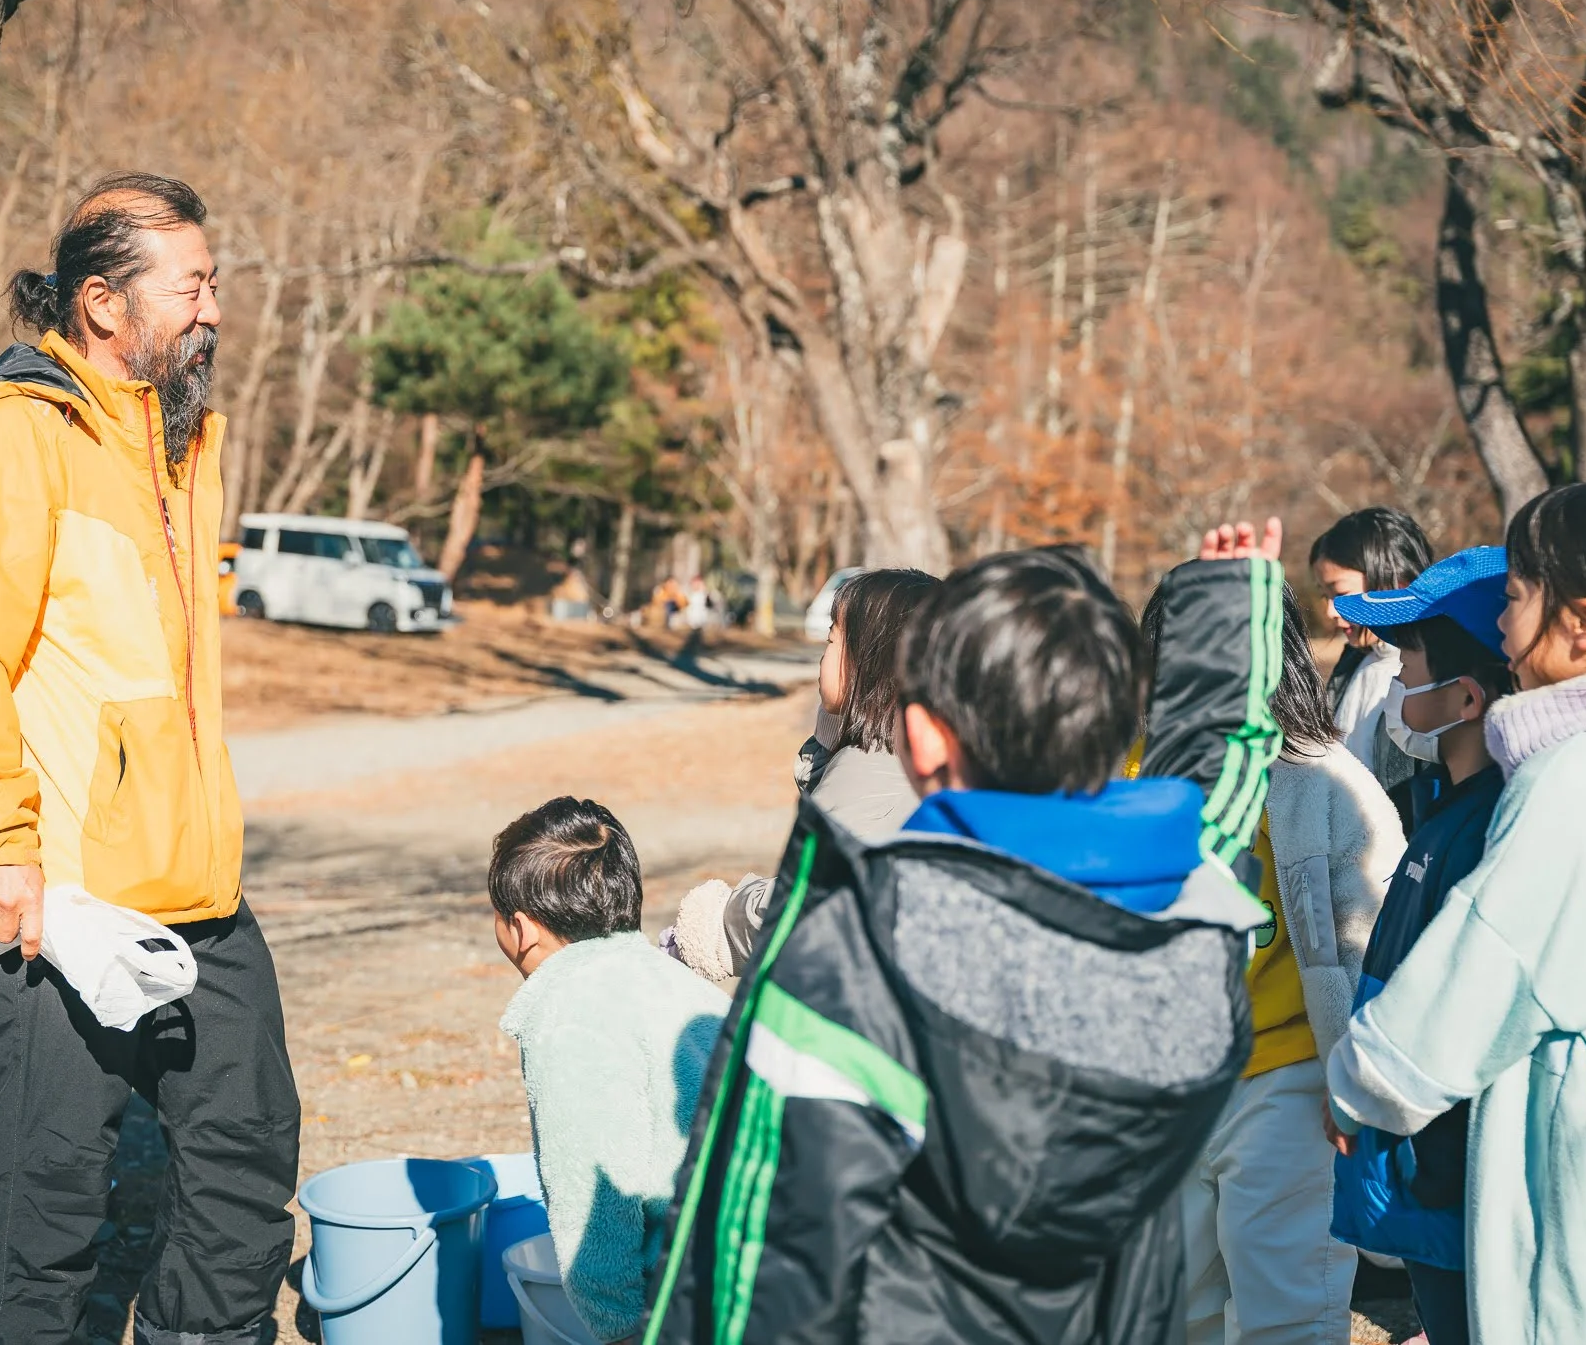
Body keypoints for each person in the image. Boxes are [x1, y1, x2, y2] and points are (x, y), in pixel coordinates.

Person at [645, 523, 1287, 1344]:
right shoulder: (1197, 916)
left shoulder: (864, 949)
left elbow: (757, 1268)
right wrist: (1228, 608)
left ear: (921, 733)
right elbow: (1221, 774)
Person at [0, 174, 300, 1345]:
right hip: (55, 899)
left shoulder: (178, 445)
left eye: (213, 281)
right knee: (39, 1206)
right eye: (192, 286)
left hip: (199, 894)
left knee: (243, 1163)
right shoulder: (19, 436)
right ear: (102, 304)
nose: (213, 307)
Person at [1324, 480, 1586, 1345]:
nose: (1506, 628)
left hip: (1576, 1221)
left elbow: (1458, 1000)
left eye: (1516, 598)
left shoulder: (1576, 782)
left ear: (1584, 626)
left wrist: (1354, 1085)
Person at [1165, 586, 1402, 1345]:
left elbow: (1373, 938)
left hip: (1292, 1083)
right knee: (1172, 1309)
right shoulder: (1139, 766)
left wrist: (1355, 1079)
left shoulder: (1325, 777)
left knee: (1287, 1312)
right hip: (1172, 1090)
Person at [1319, 546, 1512, 1345]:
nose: (1393, 684)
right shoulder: (1447, 808)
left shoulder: (1488, 829)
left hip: (1450, 1184)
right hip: (1424, 1177)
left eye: (1408, 661)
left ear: (1466, 695)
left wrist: (1363, 1088)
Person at [491, 797, 730, 1343]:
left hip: (694, 1294)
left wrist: (617, 1324)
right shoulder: (678, 983)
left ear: (520, 928)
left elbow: (593, 1193)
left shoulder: (568, 1015)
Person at [666, 568, 936, 981]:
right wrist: (829, 741)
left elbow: (806, 899)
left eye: (831, 641)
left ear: (868, 662)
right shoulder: (903, 755)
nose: (822, 656)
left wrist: (714, 924)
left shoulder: (874, 764)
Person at [1310, 508, 1434, 804]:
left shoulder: (1435, 674)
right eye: (1325, 596)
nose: (1330, 611)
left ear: (1396, 580)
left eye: (1340, 593)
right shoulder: (1353, 662)